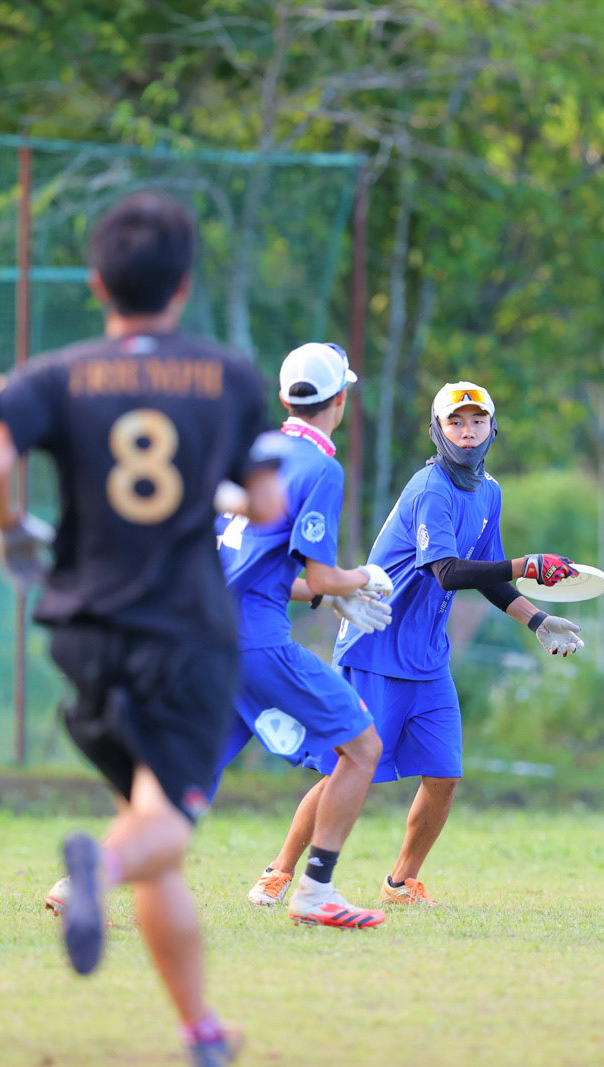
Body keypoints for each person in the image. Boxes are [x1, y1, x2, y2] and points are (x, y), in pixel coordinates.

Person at [0, 191, 281, 1067]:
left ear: (97, 283)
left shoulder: (54, 375)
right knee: (168, 823)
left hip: (85, 630)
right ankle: (93, 873)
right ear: (182, 286)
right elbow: (267, 505)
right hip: (182, 634)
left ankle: (201, 1030)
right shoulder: (226, 375)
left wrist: (9, 529)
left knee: (149, 825)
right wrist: (220, 483)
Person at [245, 381, 587, 908]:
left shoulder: (489, 491)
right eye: (456, 422)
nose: (468, 432)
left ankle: (400, 883)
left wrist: (537, 620)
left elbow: (487, 573)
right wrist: (527, 565)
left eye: (477, 421)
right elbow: (448, 572)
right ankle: (280, 870)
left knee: (444, 776)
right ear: (437, 431)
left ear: (493, 429)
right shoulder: (431, 489)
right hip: (376, 646)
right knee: (345, 769)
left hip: (427, 658)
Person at [209, 341, 393, 929]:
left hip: (207, 637)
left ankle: (85, 880)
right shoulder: (322, 467)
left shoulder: (255, 451)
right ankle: (315, 891)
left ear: (285, 397)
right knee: (361, 748)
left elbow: (258, 569)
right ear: (340, 401)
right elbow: (320, 575)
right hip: (258, 645)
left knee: (185, 777)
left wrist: (326, 592)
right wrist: (361, 578)